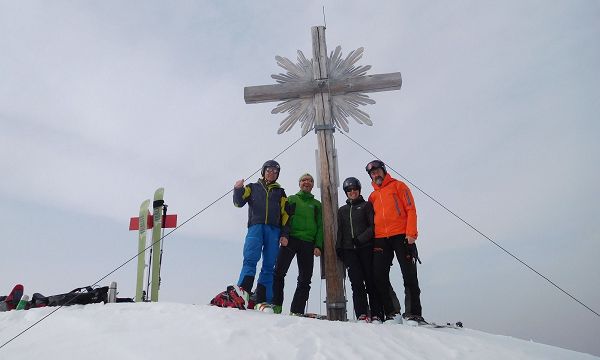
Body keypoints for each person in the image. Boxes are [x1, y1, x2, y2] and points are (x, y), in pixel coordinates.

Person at [365, 160, 424, 323]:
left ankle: (413, 313)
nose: (375, 174)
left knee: (409, 275)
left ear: (383, 171)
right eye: (372, 173)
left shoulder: (399, 186)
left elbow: (411, 209)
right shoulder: (372, 196)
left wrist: (411, 233)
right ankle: (392, 312)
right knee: (378, 275)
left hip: (402, 236)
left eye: (377, 171)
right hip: (381, 238)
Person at [233, 160, 289, 304]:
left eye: (275, 172)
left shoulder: (281, 192)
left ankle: (263, 298)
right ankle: (243, 292)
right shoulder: (252, 187)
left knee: (270, 264)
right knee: (250, 259)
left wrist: (284, 234)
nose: (271, 173)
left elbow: (286, 215)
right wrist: (238, 189)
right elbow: (238, 203)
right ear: (263, 171)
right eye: (269, 170)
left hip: (274, 230)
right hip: (256, 228)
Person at [270, 173, 323, 315]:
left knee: (305, 279)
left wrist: (318, 245)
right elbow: (284, 218)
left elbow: (320, 226)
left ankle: (297, 310)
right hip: (291, 239)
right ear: (299, 183)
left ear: (313, 185)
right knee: (278, 272)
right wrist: (284, 235)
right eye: (304, 180)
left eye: (310, 181)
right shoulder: (292, 199)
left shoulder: (317, 204)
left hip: (308, 242)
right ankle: (276, 305)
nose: (307, 182)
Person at [335, 177, 383, 323]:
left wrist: (361, 239)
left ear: (359, 190)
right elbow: (340, 231)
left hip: (366, 248)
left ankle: (377, 314)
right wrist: (339, 247)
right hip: (349, 251)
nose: (352, 192)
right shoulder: (342, 210)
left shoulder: (367, 206)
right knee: (356, 283)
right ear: (346, 192)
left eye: (354, 189)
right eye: (349, 190)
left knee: (371, 281)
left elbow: (372, 227)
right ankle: (361, 314)